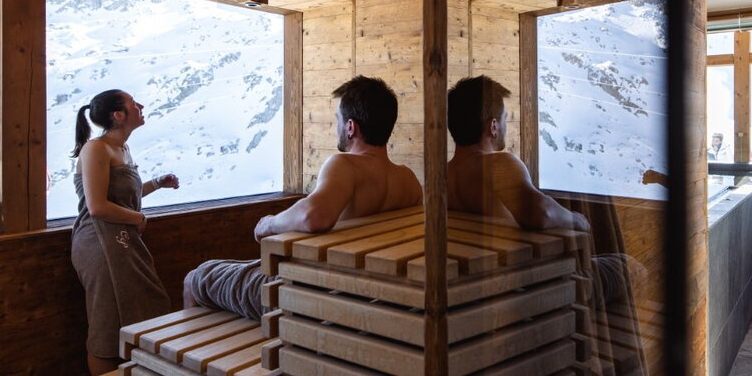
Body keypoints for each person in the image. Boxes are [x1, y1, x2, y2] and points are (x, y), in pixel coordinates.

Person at [184, 76, 422, 318]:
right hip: (372, 297)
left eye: (337, 120)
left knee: (195, 278)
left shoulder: (346, 165)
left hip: (311, 295)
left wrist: (269, 224)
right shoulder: (408, 180)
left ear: (350, 127)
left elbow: (313, 216)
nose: (336, 127)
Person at [446, 76, 637, 303]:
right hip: (533, 291)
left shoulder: (442, 176)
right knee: (631, 265)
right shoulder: (498, 165)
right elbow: (540, 213)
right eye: (505, 118)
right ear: (493, 127)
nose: (507, 125)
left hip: (475, 289)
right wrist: (577, 220)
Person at [71, 89, 180, 376]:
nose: (140, 105)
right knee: (107, 322)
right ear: (118, 115)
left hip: (122, 241)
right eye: (133, 103)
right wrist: (138, 218)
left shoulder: (121, 148)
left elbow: (120, 197)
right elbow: (97, 206)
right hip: (99, 243)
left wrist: (156, 183)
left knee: (145, 306)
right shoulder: (96, 148)